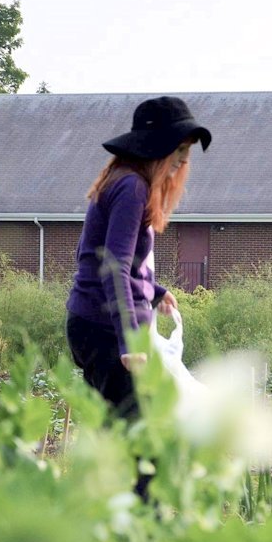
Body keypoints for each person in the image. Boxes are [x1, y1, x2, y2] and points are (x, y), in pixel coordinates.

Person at [65, 96, 211, 498]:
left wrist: (156, 291)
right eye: (179, 151)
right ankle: (142, 526)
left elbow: (119, 262)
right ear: (156, 147)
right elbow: (113, 265)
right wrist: (131, 339)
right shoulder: (131, 187)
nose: (183, 162)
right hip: (105, 331)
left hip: (95, 323)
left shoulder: (127, 182)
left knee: (121, 437)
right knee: (146, 443)